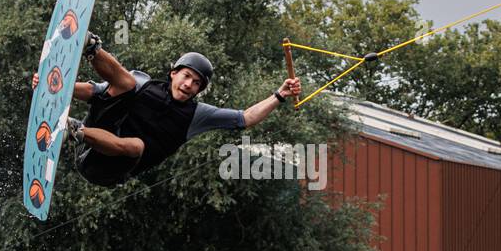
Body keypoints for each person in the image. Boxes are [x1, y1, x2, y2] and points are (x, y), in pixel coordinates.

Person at [32, 33, 301, 187]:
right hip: (97, 138)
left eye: (196, 84)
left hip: (105, 170)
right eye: (186, 76)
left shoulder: (198, 115)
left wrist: (279, 95)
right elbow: (95, 92)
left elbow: (246, 118)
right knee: (126, 82)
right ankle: (91, 46)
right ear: (173, 73)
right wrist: (54, 87)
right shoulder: (146, 84)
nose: (188, 85)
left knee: (138, 146)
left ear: (199, 90)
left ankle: (72, 129)